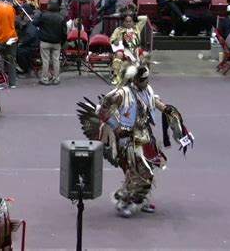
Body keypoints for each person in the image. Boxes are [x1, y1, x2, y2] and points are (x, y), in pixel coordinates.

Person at [77, 65, 194, 218]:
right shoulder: (122, 94)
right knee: (144, 174)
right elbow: (102, 109)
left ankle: (137, 198)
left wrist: (170, 112)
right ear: (136, 80)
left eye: (147, 79)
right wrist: (116, 127)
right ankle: (124, 201)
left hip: (145, 136)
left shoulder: (147, 91)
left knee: (144, 168)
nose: (147, 82)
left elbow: (157, 104)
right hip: (128, 140)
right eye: (144, 80)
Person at [33, 0, 67, 86]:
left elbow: (36, 23)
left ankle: (45, 79)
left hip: (45, 41)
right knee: (56, 60)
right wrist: (62, 42)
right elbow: (64, 33)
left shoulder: (44, 15)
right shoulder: (61, 17)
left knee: (45, 61)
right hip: (57, 42)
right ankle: (56, 78)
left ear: (49, 5)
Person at [110, 12, 149, 85]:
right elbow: (111, 39)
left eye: (130, 21)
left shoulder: (137, 28)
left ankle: (142, 75)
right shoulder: (119, 29)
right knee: (119, 54)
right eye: (126, 21)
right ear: (124, 22)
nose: (128, 23)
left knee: (145, 55)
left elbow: (145, 18)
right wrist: (115, 41)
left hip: (135, 49)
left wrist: (134, 17)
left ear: (133, 22)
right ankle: (115, 76)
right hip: (123, 49)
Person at [0, 0, 18, 89]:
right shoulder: (11, 7)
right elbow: (14, 21)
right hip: (12, 37)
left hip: (0, 38)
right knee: (11, 60)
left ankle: (1, 82)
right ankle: (12, 83)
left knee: (0, 59)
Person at [16, 3, 39, 78]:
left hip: (32, 46)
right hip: (31, 44)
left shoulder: (32, 21)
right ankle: (25, 68)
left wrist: (21, 42)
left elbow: (30, 35)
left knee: (19, 52)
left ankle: (27, 69)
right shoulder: (29, 20)